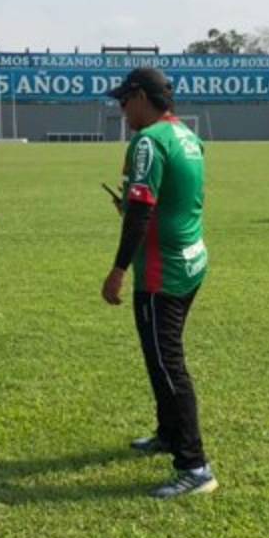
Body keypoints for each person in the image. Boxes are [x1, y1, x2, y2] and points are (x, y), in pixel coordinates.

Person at [101, 67, 215, 499]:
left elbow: (142, 210)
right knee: (163, 358)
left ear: (142, 98)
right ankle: (169, 433)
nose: (121, 109)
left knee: (167, 363)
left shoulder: (147, 141)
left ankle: (195, 466)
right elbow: (177, 200)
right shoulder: (187, 136)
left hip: (161, 272)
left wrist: (117, 271)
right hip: (190, 261)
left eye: (124, 100)